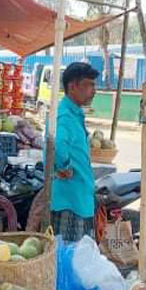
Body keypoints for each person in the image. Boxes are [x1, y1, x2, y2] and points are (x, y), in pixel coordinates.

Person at [48, 62, 98, 242]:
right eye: (88, 85)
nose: (93, 90)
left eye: (94, 85)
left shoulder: (74, 113)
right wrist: (63, 166)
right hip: (70, 201)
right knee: (69, 257)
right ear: (72, 86)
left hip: (79, 198)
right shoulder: (65, 116)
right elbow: (59, 145)